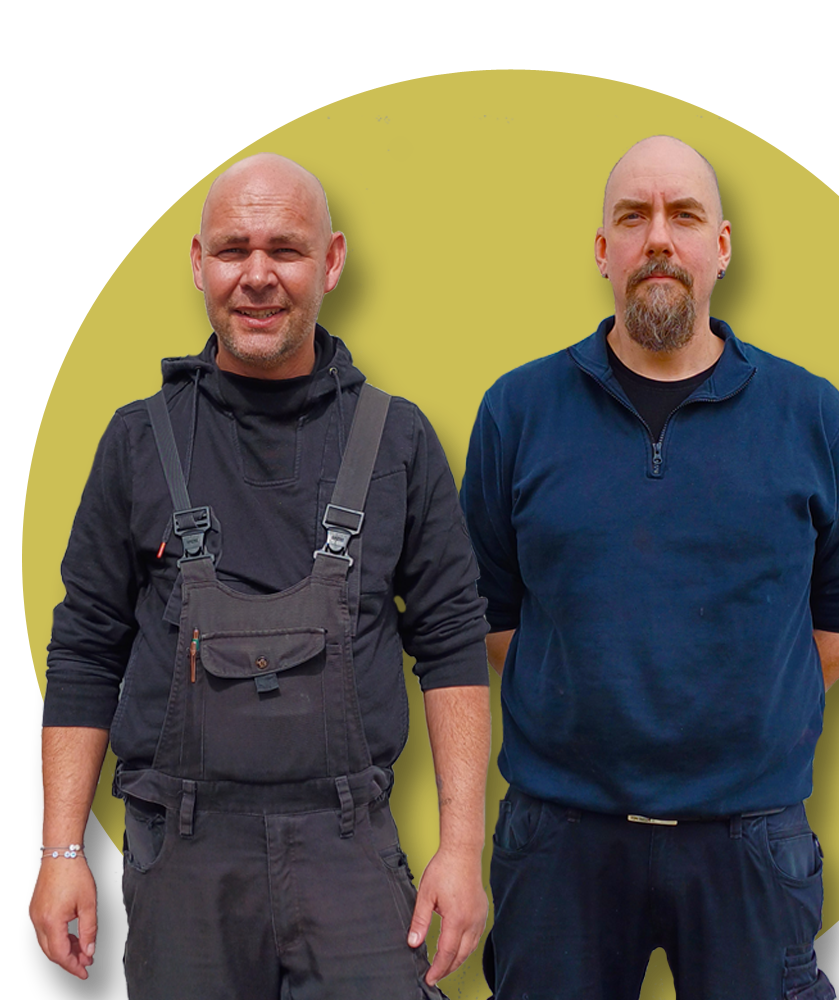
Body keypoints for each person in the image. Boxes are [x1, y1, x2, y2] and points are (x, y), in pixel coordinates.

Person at [29, 152, 491, 999]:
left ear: (332, 261)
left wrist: (462, 851)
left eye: (285, 249)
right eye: (234, 249)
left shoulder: (397, 441)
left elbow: (453, 644)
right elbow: (86, 651)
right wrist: (61, 850)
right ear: (198, 262)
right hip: (182, 862)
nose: (257, 275)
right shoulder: (137, 442)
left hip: (348, 853)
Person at [460, 135, 839, 1000]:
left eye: (684, 216)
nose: (658, 237)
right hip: (561, 841)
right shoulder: (517, 410)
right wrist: (585, 693)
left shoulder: (809, 413)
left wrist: (749, 706)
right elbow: (485, 612)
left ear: (721, 247)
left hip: (749, 841)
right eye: (634, 217)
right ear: (602, 249)